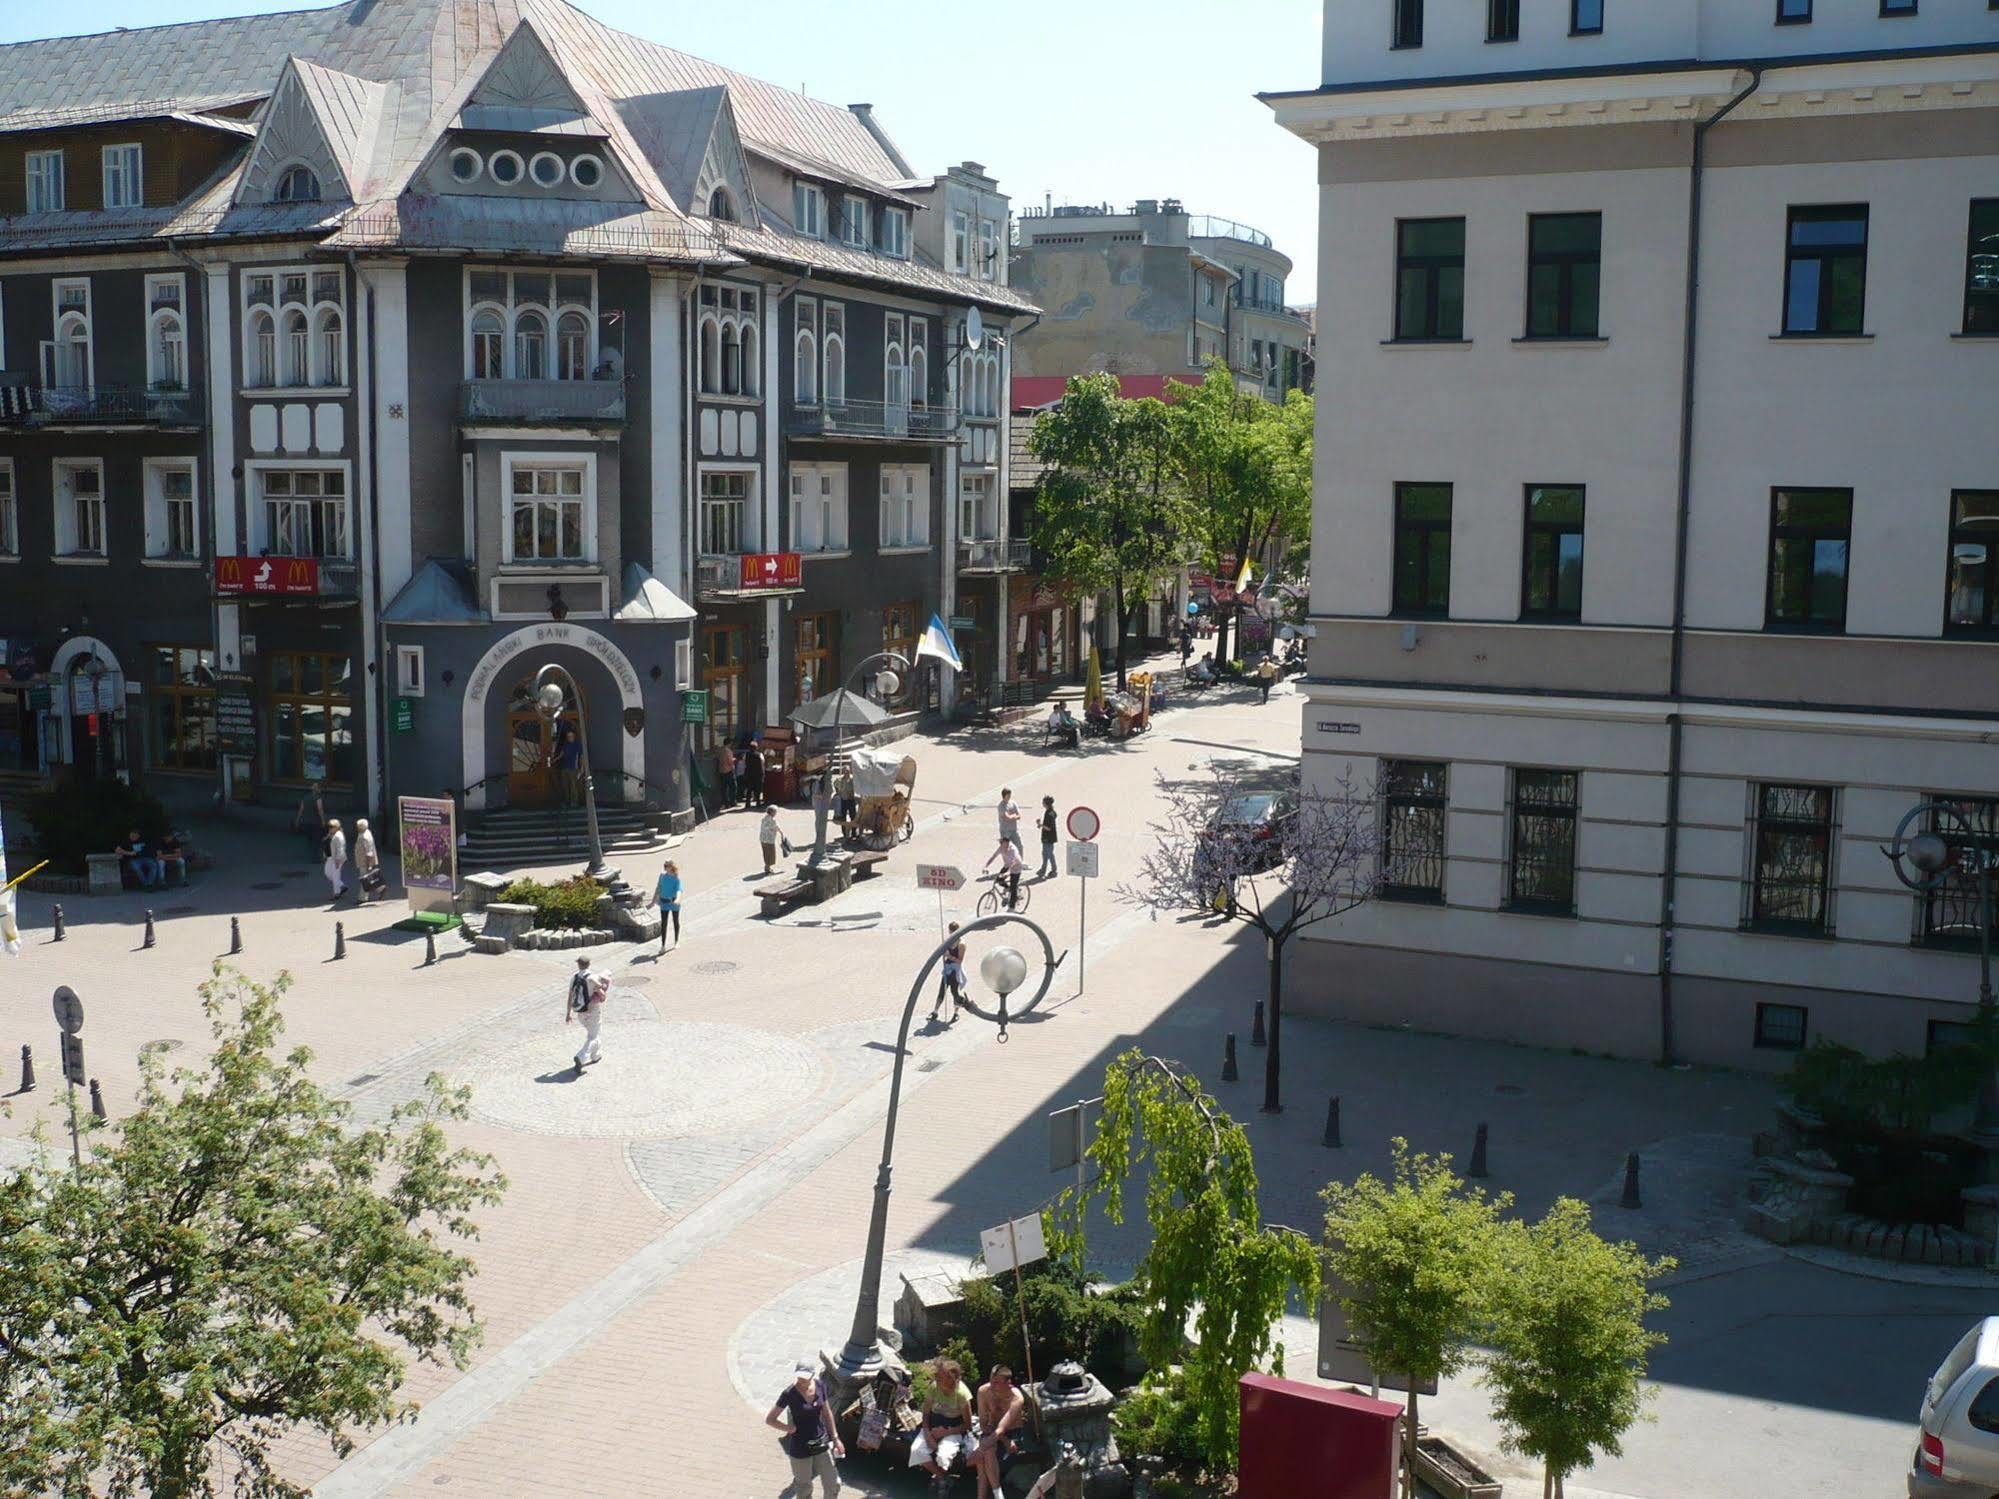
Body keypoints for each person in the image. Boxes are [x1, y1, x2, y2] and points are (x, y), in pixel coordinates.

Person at [766, 1361, 843, 1498]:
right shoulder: (789, 1393)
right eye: (799, 1376)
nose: (801, 1380)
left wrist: (835, 1438)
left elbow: (827, 1413)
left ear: (812, 1374)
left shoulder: (820, 1386)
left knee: (834, 1483)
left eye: (805, 1377)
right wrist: (789, 1428)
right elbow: (770, 1419)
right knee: (804, 1488)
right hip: (800, 1446)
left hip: (820, 1441)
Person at [910, 1358, 977, 1482]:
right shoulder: (934, 1387)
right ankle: (942, 1478)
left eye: (940, 1376)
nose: (936, 1378)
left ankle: (941, 1477)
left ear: (951, 1378)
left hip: (953, 1428)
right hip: (933, 1424)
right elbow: (925, 1413)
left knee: (943, 1456)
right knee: (917, 1451)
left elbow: (967, 1425)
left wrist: (945, 1432)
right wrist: (927, 1434)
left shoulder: (962, 1394)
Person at [974, 1366, 1026, 1499]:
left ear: (1008, 1383)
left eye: (997, 1382)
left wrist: (981, 1447)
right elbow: (983, 1423)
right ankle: (998, 1495)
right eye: (991, 1380)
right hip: (993, 1430)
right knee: (987, 1451)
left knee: (983, 1455)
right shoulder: (983, 1391)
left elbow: (1002, 1428)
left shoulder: (1016, 1398)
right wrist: (1004, 1441)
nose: (992, 1385)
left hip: (1012, 1431)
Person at [565, 955, 609, 1070]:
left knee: (593, 1034)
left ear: (578, 965)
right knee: (593, 1037)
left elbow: (570, 996)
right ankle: (581, 1057)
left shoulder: (574, 977)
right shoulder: (593, 977)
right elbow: (603, 997)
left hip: (580, 1012)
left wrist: (568, 1013)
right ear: (589, 964)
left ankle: (596, 1056)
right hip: (593, 1011)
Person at [931, 922, 968, 1024]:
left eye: (952, 932)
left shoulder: (961, 944)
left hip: (955, 971)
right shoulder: (948, 941)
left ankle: (956, 1013)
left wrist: (948, 956)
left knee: (954, 992)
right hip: (947, 970)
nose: (950, 934)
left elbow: (960, 960)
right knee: (942, 989)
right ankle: (935, 1011)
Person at [983, 836, 1024, 912]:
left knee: (1013, 887)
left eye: (1003, 843)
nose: (1001, 845)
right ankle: (1007, 888)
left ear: (1007, 843)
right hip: (1007, 865)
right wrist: (986, 867)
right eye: (1000, 843)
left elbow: (1014, 861)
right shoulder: (1001, 847)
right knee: (999, 879)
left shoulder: (1012, 849)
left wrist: (1008, 873)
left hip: (1016, 867)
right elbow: (993, 857)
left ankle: (1012, 908)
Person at [649, 859, 682, 952]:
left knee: (676, 921)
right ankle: (663, 946)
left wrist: (677, 900)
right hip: (664, 902)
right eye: (665, 865)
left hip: (673, 902)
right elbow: (658, 888)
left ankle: (676, 941)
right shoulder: (662, 876)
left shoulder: (676, 878)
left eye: (667, 865)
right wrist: (653, 902)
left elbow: (679, 890)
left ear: (672, 867)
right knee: (664, 924)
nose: (665, 867)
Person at [292, 781, 327, 861]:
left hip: (306, 822)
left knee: (310, 839)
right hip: (315, 822)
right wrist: (323, 821)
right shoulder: (318, 798)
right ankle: (316, 857)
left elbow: (301, 810)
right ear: (318, 789)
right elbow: (320, 810)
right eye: (319, 788)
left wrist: (297, 820)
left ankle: (311, 855)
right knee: (317, 839)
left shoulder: (305, 797)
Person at [352, 817, 381, 903]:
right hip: (365, 861)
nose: (357, 827)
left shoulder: (364, 837)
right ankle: (380, 889)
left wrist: (369, 864)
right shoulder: (367, 832)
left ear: (361, 827)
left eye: (358, 826)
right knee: (368, 878)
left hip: (365, 861)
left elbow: (369, 852)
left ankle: (362, 898)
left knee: (364, 879)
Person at [555, 727, 584, 807]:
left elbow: (581, 756)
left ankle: (574, 802)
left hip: (573, 767)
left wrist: (581, 768)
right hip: (565, 767)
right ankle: (566, 801)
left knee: (573, 786)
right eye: (568, 736)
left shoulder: (577, 744)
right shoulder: (566, 744)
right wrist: (553, 760)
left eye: (571, 736)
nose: (569, 738)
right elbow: (562, 754)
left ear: (574, 736)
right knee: (565, 785)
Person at [323, 817, 347, 901]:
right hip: (330, 857)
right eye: (329, 826)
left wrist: (337, 860)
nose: (329, 828)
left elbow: (340, 849)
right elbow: (326, 844)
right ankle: (342, 886)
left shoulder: (338, 836)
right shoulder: (331, 834)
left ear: (336, 827)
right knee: (328, 873)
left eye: (331, 826)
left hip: (336, 859)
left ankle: (336, 893)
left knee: (336, 876)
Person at [1037, 795, 1059, 880]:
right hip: (1049, 838)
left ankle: (1054, 870)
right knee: (1045, 854)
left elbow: (1049, 827)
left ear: (1046, 804)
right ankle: (1043, 869)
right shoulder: (1051, 812)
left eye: (1043, 802)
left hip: (1048, 838)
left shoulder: (1049, 814)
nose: (1042, 803)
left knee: (1049, 854)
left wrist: (1041, 824)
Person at [759, 805, 785, 875]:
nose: (776, 813)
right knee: (770, 854)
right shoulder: (772, 820)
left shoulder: (765, 818)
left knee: (765, 853)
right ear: (772, 812)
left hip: (762, 839)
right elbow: (775, 827)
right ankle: (767, 868)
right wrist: (781, 832)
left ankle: (767, 867)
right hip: (769, 839)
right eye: (775, 812)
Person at [997, 788, 1023, 855]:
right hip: (1005, 831)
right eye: (1008, 795)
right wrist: (1014, 816)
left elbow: (1019, 815)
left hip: (1014, 830)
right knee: (1006, 849)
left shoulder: (1013, 803)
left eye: (1010, 795)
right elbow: (1006, 818)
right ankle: (1008, 864)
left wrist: (1012, 817)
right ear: (1004, 795)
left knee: (1020, 846)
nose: (1009, 796)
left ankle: (1020, 862)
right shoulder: (1001, 806)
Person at [743, 737, 766, 809]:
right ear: (756, 747)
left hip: (749, 774)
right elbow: (762, 763)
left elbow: (744, 763)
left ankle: (747, 804)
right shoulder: (760, 755)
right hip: (758, 774)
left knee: (749, 789)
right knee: (758, 789)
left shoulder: (746, 754)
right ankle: (758, 803)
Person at [835, 765, 858, 834]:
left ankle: (854, 832)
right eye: (845, 771)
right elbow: (835, 784)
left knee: (853, 816)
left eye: (847, 771)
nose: (846, 773)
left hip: (851, 800)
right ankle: (844, 832)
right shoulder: (840, 780)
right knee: (843, 817)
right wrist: (838, 792)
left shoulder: (852, 779)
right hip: (843, 800)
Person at [716, 740, 739, 807]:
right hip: (728, 771)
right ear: (729, 743)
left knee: (724, 788)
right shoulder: (728, 751)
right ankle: (733, 802)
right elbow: (730, 761)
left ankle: (725, 803)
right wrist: (734, 761)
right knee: (733, 787)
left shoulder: (720, 750)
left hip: (721, 771)